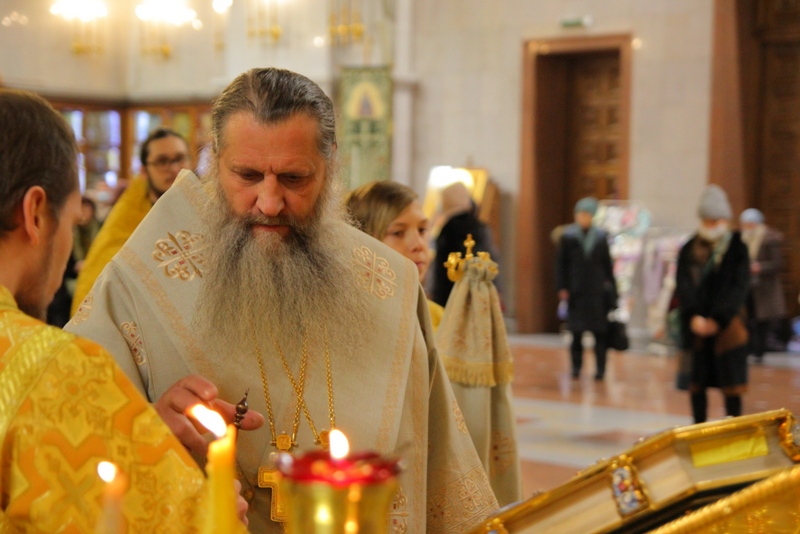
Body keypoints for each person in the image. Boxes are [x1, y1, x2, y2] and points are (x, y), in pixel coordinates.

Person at [65, 67, 498, 533]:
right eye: (247, 175)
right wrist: (147, 431)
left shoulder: (389, 286)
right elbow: (65, 452)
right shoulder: (141, 280)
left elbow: (443, 477)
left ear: (330, 165)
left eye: (293, 178)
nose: (269, 202)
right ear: (215, 162)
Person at [0, 89, 250, 532]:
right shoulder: (52, 368)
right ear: (36, 213)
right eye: (72, 221)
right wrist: (210, 512)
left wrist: (136, 433)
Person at [70, 127, 190, 314]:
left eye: (180, 159)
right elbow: (103, 276)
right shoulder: (128, 217)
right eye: (162, 161)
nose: (174, 168)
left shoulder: (208, 208)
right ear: (144, 171)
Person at [676, 185, 750, 424]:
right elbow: (683, 284)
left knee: (732, 387)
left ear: (725, 219)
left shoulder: (737, 248)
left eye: (715, 220)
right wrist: (693, 316)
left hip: (728, 328)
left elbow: (739, 287)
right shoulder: (689, 248)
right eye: (707, 220)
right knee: (697, 385)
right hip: (696, 328)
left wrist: (718, 319)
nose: (711, 224)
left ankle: (733, 432)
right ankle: (698, 429)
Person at [344, 179, 444, 329]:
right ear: (363, 242)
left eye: (422, 230)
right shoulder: (349, 320)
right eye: (398, 233)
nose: (418, 244)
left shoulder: (439, 318)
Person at [556, 197, 618, 380]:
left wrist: (613, 291)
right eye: (579, 214)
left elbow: (608, 266)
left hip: (597, 293)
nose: (582, 218)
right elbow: (560, 265)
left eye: (586, 214)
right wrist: (562, 287)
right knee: (576, 333)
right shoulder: (568, 237)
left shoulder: (600, 237)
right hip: (576, 292)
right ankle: (576, 367)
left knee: (600, 334)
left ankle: (600, 369)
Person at [430, 181, 498, 307]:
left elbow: (445, 272)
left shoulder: (450, 229)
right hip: (481, 295)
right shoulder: (480, 226)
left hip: (453, 296)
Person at [740, 208, 787, 361]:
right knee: (747, 318)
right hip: (748, 286)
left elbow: (777, 263)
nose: (746, 227)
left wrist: (760, 267)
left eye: (748, 224)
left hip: (764, 288)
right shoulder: (743, 238)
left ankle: (759, 351)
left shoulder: (769, 238)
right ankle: (747, 348)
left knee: (762, 320)